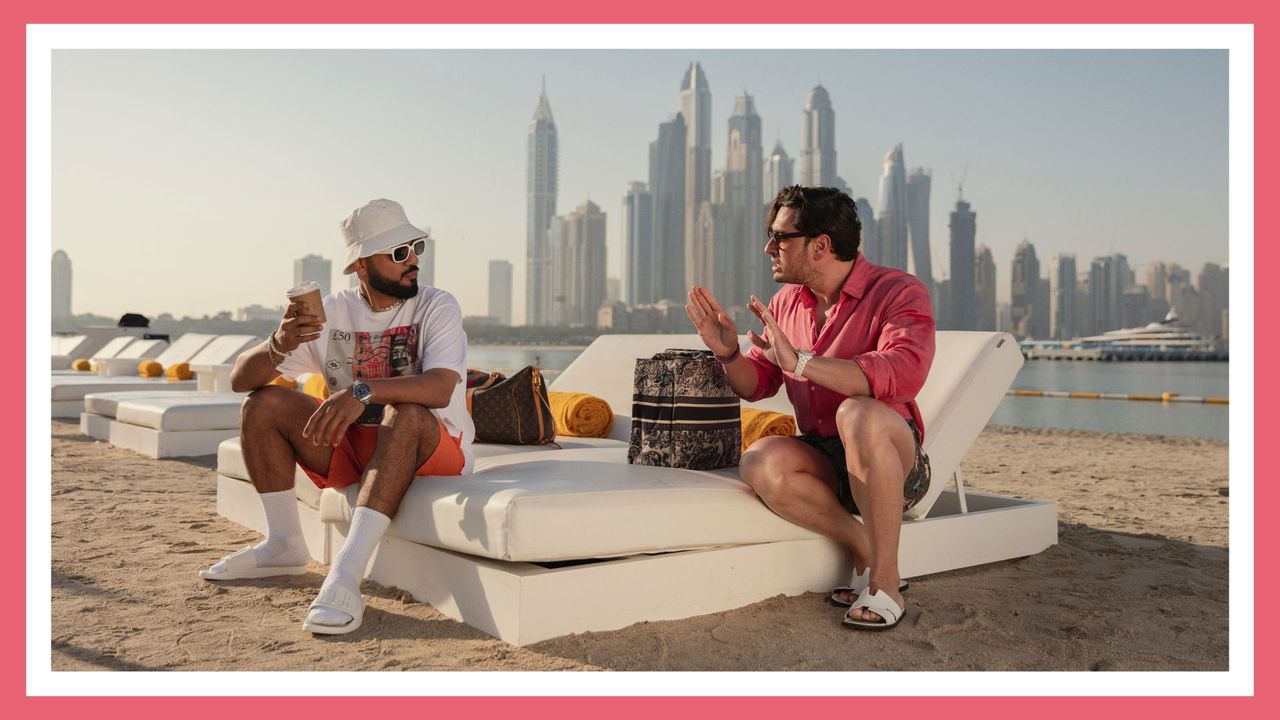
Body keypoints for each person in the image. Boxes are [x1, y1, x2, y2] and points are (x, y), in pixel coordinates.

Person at [201, 198, 474, 635]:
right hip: (353, 451)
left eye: (416, 247)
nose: (414, 261)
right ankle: (284, 544)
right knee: (263, 403)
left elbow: (440, 387)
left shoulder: (437, 306)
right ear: (361, 266)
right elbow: (239, 379)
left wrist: (362, 390)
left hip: (429, 448)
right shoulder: (330, 313)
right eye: (399, 253)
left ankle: (346, 574)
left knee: (405, 412)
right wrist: (280, 342)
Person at [685, 185, 935, 629]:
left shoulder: (898, 291)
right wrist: (727, 354)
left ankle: (886, 581)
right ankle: (862, 544)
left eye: (780, 237)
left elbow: (902, 371)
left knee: (857, 413)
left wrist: (801, 361)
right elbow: (758, 383)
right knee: (760, 459)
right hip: (825, 455)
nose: (769, 248)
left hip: (896, 463)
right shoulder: (785, 304)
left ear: (820, 245)